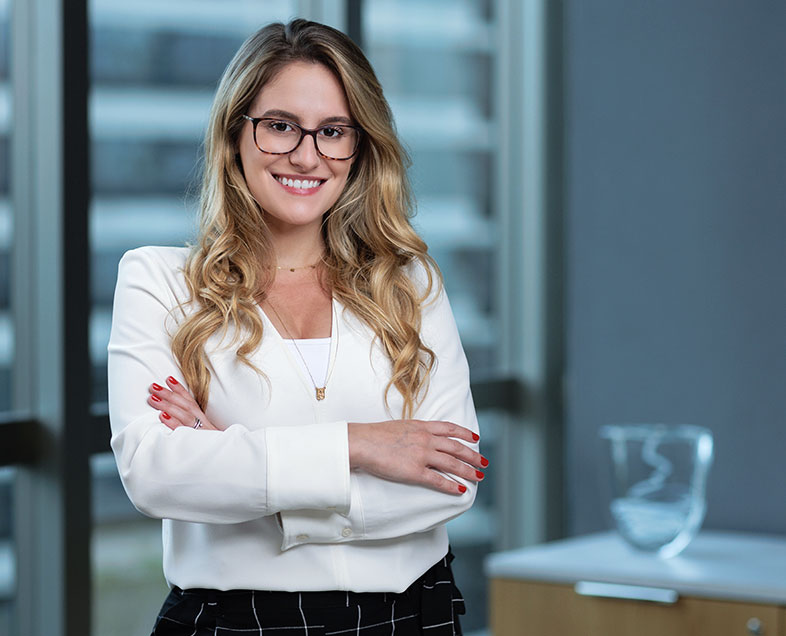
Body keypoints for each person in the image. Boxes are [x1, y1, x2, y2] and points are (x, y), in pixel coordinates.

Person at [108, 18, 486, 636]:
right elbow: (156, 473)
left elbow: (451, 481)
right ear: (236, 135)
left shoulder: (410, 284)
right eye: (281, 125)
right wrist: (361, 446)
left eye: (334, 131)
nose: (307, 155)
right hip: (233, 622)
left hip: (412, 618)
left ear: (359, 148)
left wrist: (241, 471)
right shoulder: (158, 282)